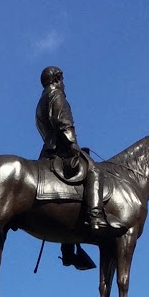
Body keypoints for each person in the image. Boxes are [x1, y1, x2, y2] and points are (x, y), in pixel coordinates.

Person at [35, 65, 105, 268]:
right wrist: (74, 147)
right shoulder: (57, 96)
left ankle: (68, 251)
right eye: (62, 79)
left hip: (46, 152)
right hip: (61, 150)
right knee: (95, 170)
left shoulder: (40, 101)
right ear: (57, 79)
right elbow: (64, 124)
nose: (64, 84)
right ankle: (96, 217)